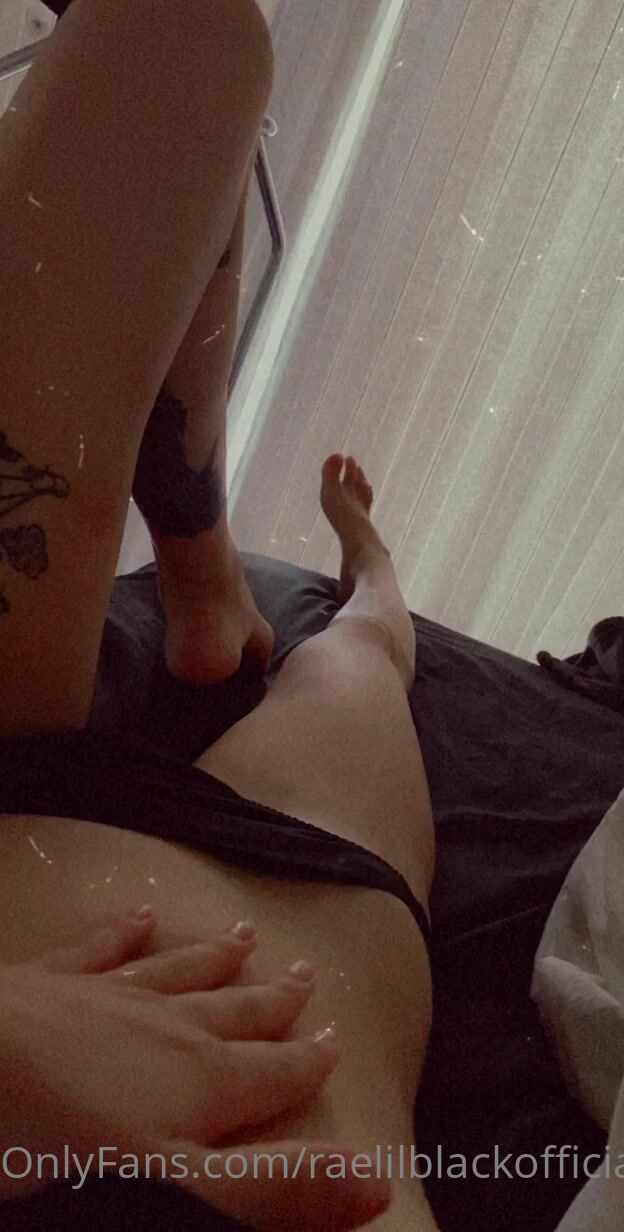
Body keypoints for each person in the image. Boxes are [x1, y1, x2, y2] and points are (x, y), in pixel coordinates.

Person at [0, 1, 437, 1229]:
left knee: (172, 34)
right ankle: (282, 568)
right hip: (304, 909)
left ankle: (211, 571)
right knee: (367, 644)